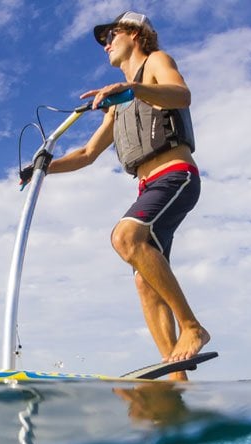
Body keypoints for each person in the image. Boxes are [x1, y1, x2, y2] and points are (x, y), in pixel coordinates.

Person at [33, 11, 209, 380]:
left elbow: (182, 95)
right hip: (147, 185)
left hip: (175, 175)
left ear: (136, 34)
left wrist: (133, 89)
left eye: (111, 35)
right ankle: (177, 374)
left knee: (126, 238)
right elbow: (86, 154)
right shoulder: (117, 99)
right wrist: (42, 169)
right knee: (144, 278)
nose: (106, 44)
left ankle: (192, 326)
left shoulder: (156, 63)